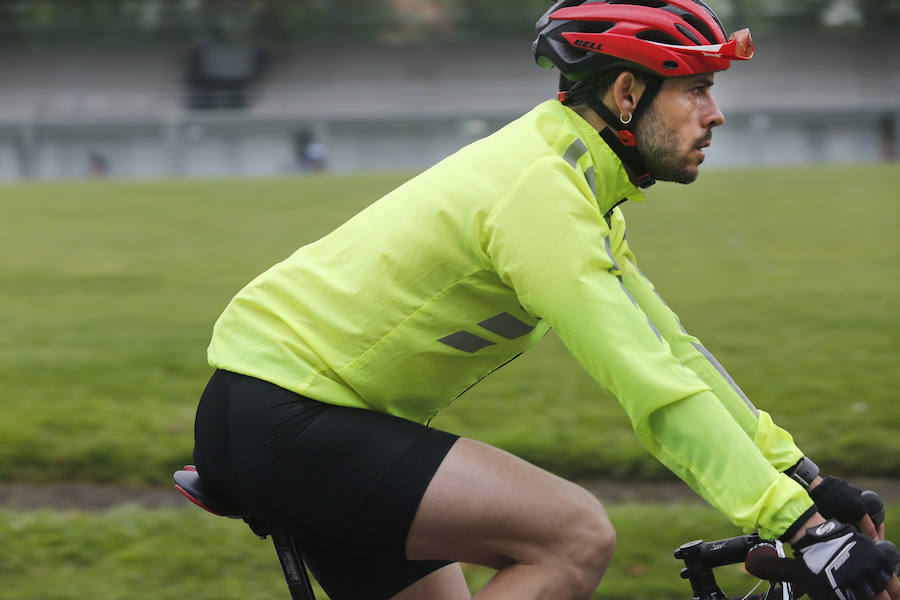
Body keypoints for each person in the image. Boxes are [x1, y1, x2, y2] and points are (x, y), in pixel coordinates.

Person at [191, 1, 899, 599]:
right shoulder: (541, 196)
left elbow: (677, 351)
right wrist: (798, 528)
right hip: (287, 419)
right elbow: (646, 383)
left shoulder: (579, 189)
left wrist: (803, 481)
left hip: (301, 417)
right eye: (694, 89)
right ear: (627, 95)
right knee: (574, 535)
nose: (714, 115)